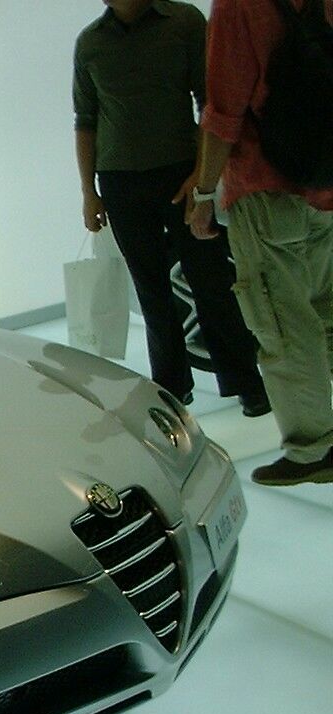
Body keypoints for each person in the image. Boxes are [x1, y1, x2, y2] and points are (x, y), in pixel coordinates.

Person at [74, 0, 270, 416]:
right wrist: (88, 191)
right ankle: (171, 388)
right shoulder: (90, 42)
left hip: (181, 175)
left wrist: (202, 175)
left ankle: (245, 383)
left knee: (211, 280)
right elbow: (85, 120)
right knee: (150, 288)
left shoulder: (183, 22)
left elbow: (210, 102)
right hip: (121, 182)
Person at [183, 0, 333, 485]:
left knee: (281, 321)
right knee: (328, 311)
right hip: (326, 178)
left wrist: (204, 192)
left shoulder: (238, 5)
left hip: (268, 186)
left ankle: (312, 449)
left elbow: (224, 111)